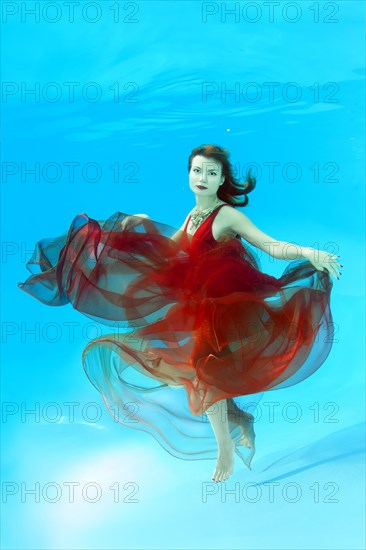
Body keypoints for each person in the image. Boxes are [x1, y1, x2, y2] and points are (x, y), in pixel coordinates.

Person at [18, 144, 342, 483]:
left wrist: (309, 251)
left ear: (221, 180)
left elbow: (270, 245)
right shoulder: (192, 215)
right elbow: (170, 252)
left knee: (208, 376)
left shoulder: (227, 215)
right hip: (202, 310)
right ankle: (241, 422)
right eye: (197, 171)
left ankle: (226, 449)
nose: (203, 178)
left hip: (233, 308)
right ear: (189, 174)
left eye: (211, 173)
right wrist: (137, 229)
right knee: (205, 378)